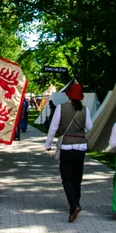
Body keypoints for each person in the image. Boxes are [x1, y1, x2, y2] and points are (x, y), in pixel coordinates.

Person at [44, 83, 93, 222]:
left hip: (66, 147)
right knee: (77, 178)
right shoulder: (85, 109)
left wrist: (48, 144)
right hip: (81, 147)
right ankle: (75, 203)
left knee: (66, 178)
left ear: (69, 95)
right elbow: (90, 126)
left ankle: (74, 205)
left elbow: (53, 127)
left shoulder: (61, 108)